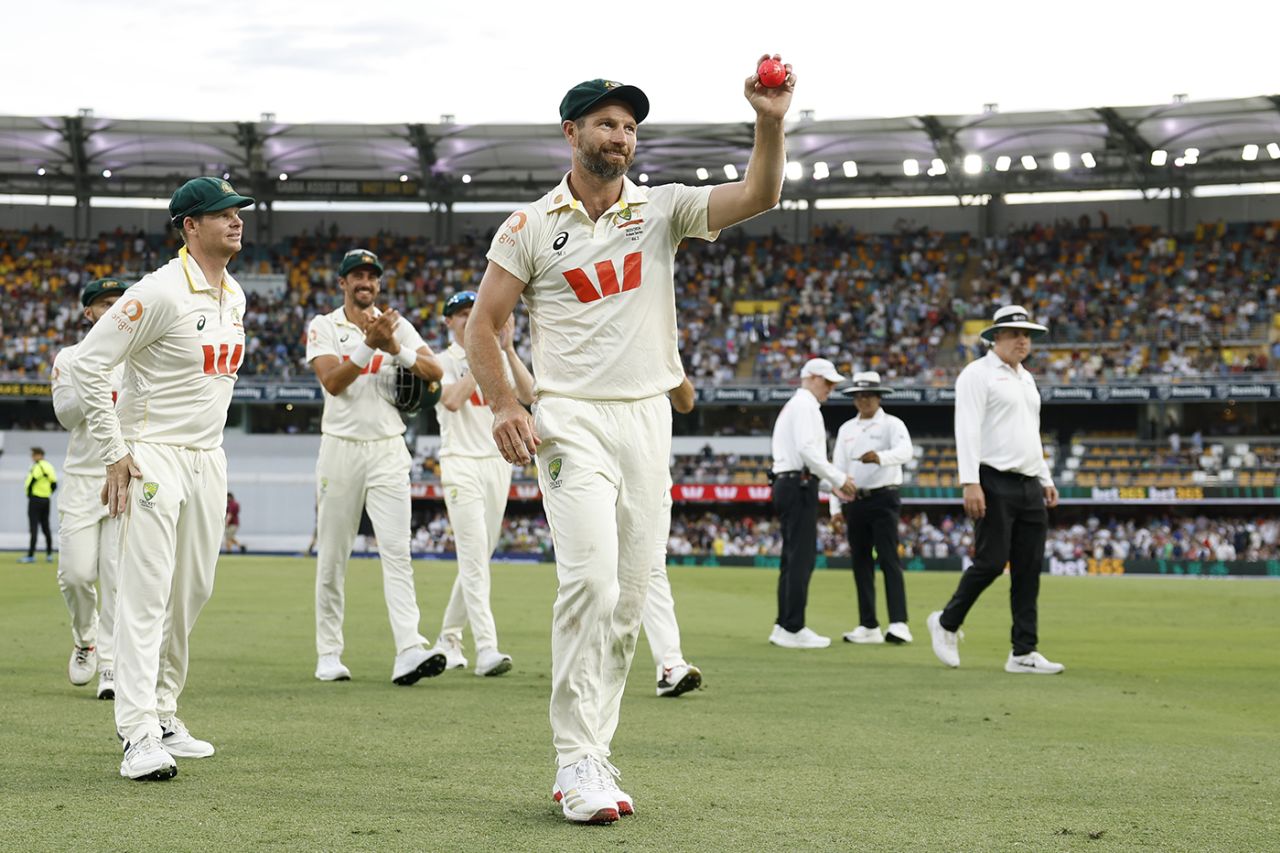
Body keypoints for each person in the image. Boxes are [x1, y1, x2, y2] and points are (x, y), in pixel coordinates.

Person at [468, 62, 798, 824]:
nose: (621, 137)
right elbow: (484, 324)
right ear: (572, 132)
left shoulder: (663, 208)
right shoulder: (528, 226)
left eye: (629, 127)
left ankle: (594, 749)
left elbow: (760, 194)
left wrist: (769, 121)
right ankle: (574, 755)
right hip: (569, 418)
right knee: (590, 582)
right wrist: (504, 403)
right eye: (607, 124)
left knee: (631, 595)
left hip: (648, 417)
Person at [71, 176, 255, 781]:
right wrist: (114, 452)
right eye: (222, 213)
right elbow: (89, 365)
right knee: (146, 595)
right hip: (153, 456)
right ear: (190, 226)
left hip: (209, 457)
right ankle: (138, 733)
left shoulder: (235, 295)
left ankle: (166, 712)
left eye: (238, 211)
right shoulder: (157, 291)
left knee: (191, 593)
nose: (236, 220)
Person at [306, 247, 447, 686]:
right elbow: (333, 382)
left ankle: (409, 649)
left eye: (372, 277)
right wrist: (370, 345)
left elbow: (435, 370)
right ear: (343, 283)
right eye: (357, 276)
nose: (365, 283)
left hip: (388, 448)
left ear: (379, 284)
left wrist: (395, 348)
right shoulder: (324, 326)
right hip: (341, 448)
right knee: (333, 556)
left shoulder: (396, 325)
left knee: (398, 552)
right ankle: (329, 654)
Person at [927, 305, 1065, 675]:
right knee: (990, 563)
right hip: (993, 479)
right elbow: (966, 428)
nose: (1023, 341)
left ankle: (1023, 651)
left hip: (1029, 481)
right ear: (995, 337)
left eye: (1027, 335)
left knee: (1028, 569)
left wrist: (1045, 477)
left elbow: (1030, 432)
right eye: (1015, 334)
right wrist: (970, 481)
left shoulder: (1026, 379)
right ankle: (946, 623)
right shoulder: (977, 374)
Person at [433, 289, 534, 677]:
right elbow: (452, 400)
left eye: (474, 312)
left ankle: (448, 638)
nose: (469, 318)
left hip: (497, 463)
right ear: (449, 322)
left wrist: (505, 350)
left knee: (478, 557)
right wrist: (482, 353)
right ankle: (486, 648)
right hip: (460, 462)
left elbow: (529, 394)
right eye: (462, 314)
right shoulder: (441, 360)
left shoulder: (499, 356)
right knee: (474, 557)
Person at [51, 277, 130, 698]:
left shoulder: (138, 355)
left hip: (125, 476)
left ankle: (111, 666)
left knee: (116, 576)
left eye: (119, 302)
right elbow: (66, 416)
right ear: (89, 313)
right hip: (83, 479)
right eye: (104, 304)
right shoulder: (70, 357)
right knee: (77, 574)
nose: (113, 309)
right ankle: (86, 641)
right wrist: (91, 375)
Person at [769, 358, 856, 650]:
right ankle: (792, 627)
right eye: (828, 382)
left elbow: (802, 456)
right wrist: (838, 478)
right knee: (801, 558)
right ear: (813, 378)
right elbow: (807, 450)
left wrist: (831, 484)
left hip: (791, 482)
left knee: (792, 557)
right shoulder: (806, 405)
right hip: (797, 484)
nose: (830, 388)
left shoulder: (797, 405)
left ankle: (785, 623)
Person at [831, 371, 914, 645]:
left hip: (883, 497)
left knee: (889, 559)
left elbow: (906, 451)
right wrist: (835, 508)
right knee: (860, 563)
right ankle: (868, 625)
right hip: (855, 501)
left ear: (879, 397)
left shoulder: (892, 424)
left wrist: (880, 457)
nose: (864, 400)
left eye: (869, 395)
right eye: (859, 396)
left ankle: (899, 623)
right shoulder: (846, 429)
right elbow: (837, 470)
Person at [645, 376, 702, 697]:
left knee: (652, 569)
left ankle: (670, 665)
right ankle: (585, 666)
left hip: (653, 479)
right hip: (597, 473)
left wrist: (666, 357)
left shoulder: (658, 349)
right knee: (594, 574)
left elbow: (686, 401)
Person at [21, 447, 58, 563]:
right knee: (46, 527)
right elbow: (54, 485)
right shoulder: (49, 466)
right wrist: (47, 493)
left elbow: (31, 482)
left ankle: (31, 555)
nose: (32, 457)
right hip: (46, 500)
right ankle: (49, 554)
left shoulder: (37, 466)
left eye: (33, 455)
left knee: (34, 527)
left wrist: (29, 494)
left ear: (39, 455)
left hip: (35, 499)